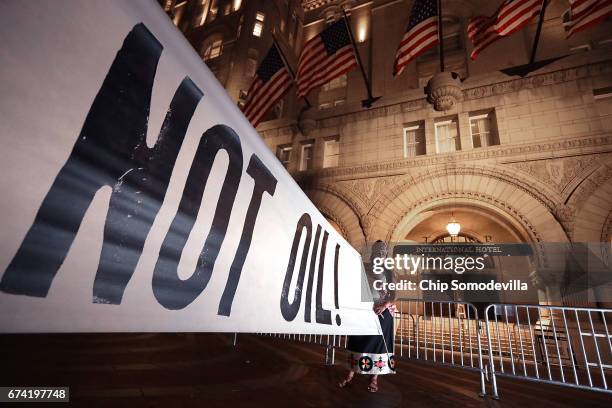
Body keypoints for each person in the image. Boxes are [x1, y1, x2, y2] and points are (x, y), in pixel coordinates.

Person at [338, 240, 396, 393]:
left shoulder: (389, 271)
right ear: (372, 253)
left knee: (378, 344)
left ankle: (374, 377)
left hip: (382, 312)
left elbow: (394, 293)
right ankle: (350, 374)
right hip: (364, 311)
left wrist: (384, 305)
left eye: (383, 252)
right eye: (378, 251)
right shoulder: (363, 267)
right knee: (357, 342)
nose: (380, 254)